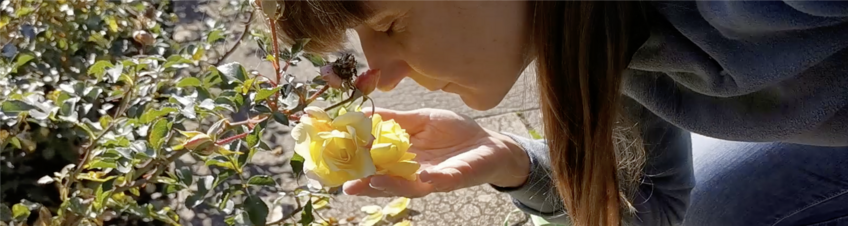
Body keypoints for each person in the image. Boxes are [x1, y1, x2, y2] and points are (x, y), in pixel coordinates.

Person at [274, 1, 848, 226]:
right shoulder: (594, 37)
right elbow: (654, 204)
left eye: (391, 24)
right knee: (714, 212)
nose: (387, 74)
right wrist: (516, 165)